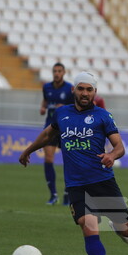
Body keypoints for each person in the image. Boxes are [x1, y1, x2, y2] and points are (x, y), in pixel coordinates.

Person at [20, 71, 128, 255]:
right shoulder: (62, 114)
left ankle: (117, 225)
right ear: (74, 90)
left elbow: (119, 146)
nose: (84, 93)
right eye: (81, 88)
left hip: (102, 181)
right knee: (87, 225)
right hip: (76, 184)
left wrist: (111, 155)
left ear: (95, 93)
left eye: (89, 90)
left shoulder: (103, 116)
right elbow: (47, 135)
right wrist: (28, 151)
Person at [39, 62, 75, 205]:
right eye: (55, 71)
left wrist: (65, 107)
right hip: (50, 127)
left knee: (70, 161)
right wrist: (42, 108)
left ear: (64, 72)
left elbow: (76, 106)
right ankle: (53, 195)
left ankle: (68, 193)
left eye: (59, 71)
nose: (57, 73)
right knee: (48, 159)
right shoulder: (46, 87)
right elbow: (45, 101)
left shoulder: (69, 89)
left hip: (66, 129)